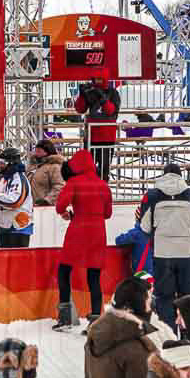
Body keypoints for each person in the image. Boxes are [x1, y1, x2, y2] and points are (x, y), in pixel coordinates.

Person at [138, 163, 190, 330]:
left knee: (164, 297)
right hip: (187, 253)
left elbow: (145, 227)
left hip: (162, 254)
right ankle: (189, 335)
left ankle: (168, 335)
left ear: (163, 175)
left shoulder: (152, 195)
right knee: (189, 297)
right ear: (180, 176)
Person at [55, 149, 113, 332]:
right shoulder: (103, 185)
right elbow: (108, 214)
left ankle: (65, 318)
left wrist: (67, 213)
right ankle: (96, 321)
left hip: (78, 230)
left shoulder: (73, 182)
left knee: (64, 271)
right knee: (94, 278)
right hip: (97, 233)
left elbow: (60, 205)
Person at [75, 77, 122, 182]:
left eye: (99, 80)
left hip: (107, 139)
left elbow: (110, 111)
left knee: (104, 171)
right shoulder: (92, 92)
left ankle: (102, 192)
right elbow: (80, 109)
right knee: (87, 169)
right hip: (91, 138)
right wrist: (82, 95)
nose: (97, 82)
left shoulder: (113, 93)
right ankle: (89, 192)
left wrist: (102, 97)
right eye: (95, 80)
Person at [0, 148, 35, 248]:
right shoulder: (4, 179)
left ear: (11, 163)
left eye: (2, 163)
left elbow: (14, 201)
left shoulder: (19, 178)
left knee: (18, 262)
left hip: (19, 227)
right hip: (5, 226)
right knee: (3, 261)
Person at [28, 139, 66, 206]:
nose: (36, 153)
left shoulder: (55, 167)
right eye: (35, 151)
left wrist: (47, 200)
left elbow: (60, 186)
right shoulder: (32, 166)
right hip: (30, 206)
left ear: (47, 152)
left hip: (46, 208)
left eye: (39, 151)